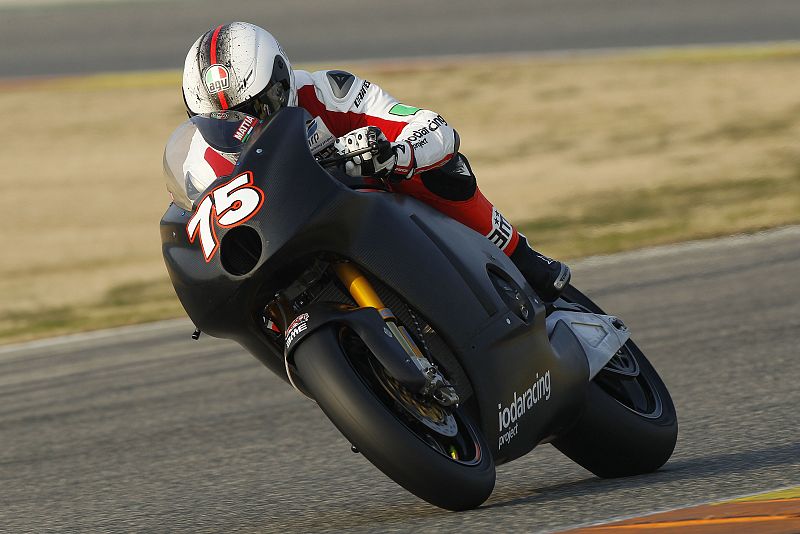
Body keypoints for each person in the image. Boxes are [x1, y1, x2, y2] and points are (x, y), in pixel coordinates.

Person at [180, 22, 570, 301]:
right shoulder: (201, 166)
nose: (243, 127)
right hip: (288, 236)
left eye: (257, 108)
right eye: (221, 122)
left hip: (373, 207)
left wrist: (394, 155)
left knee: (441, 171)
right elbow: (199, 240)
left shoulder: (326, 92)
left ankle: (520, 254)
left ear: (282, 81)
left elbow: (433, 127)